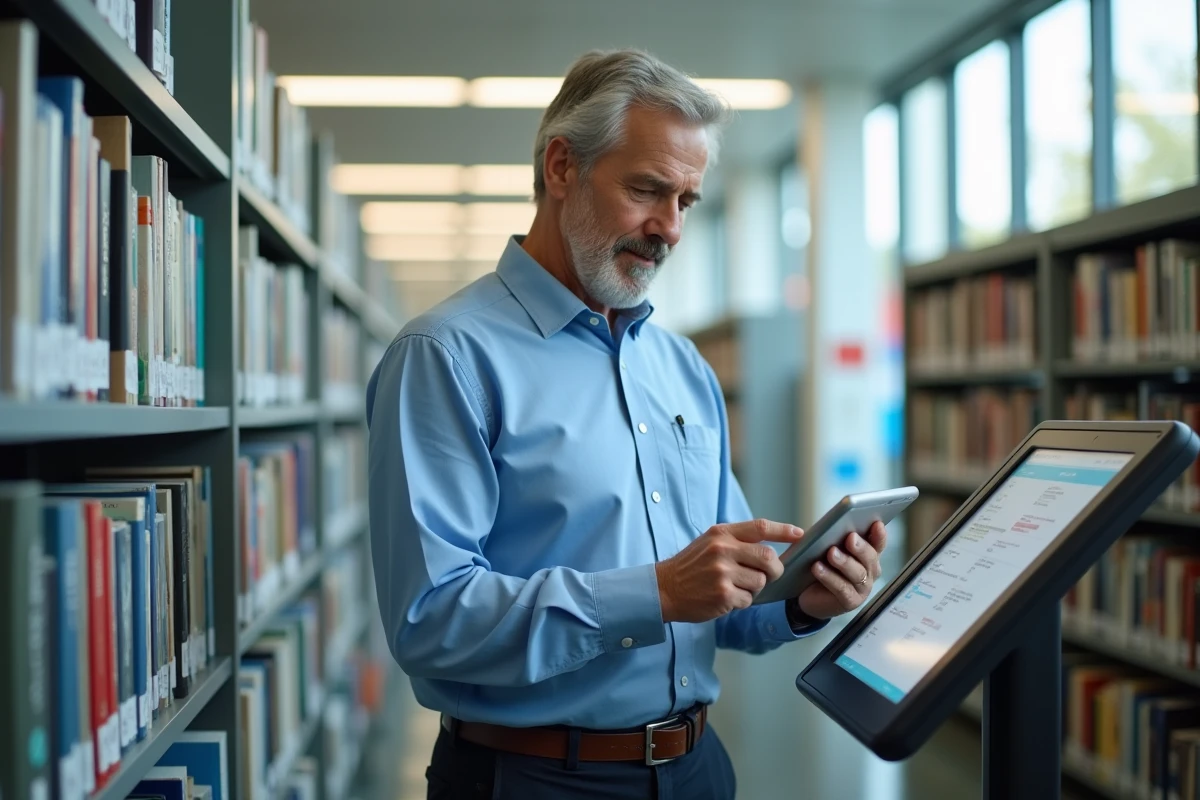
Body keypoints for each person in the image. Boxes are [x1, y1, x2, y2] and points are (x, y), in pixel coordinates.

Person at [364, 48, 888, 800]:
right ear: (562, 168)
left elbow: (726, 604)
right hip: (533, 778)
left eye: (687, 202)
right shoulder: (446, 357)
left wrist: (805, 598)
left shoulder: (683, 368)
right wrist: (656, 593)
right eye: (647, 190)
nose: (668, 228)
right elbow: (430, 620)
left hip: (698, 768)